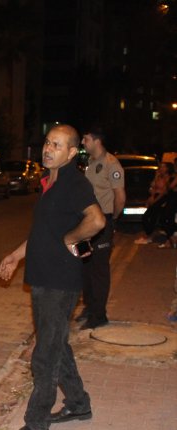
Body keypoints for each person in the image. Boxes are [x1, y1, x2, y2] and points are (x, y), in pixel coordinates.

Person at [0, 124, 105, 430]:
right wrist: (15, 256)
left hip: (59, 283)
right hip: (43, 278)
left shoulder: (74, 182)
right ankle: (78, 403)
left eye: (57, 145)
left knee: (44, 356)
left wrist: (72, 238)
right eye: (47, 143)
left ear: (71, 152)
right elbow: (41, 232)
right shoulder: (49, 182)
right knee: (57, 345)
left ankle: (37, 426)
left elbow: (97, 220)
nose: (48, 149)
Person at [77, 128, 125, 330]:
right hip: (85, 222)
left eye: (86, 139)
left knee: (99, 270)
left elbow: (120, 197)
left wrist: (112, 219)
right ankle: (89, 307)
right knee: (85, 266)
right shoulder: (90, 162)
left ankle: (99, 315)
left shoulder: (112, 164)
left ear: (97, 141)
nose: (82, 142)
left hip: (102, 221)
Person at [135, 161, 174, 245]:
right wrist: (151, 198)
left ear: (167, 169)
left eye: (163, 167)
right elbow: (153, 187)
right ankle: (149, 235)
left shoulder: (168, 177)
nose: (161, 168)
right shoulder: (159, 176)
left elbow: (164, 191)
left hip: (161, 198)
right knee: (148, 217)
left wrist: (155, 201)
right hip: (155, 197)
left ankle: (151, 236)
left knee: (152, 217)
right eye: (161, 166)